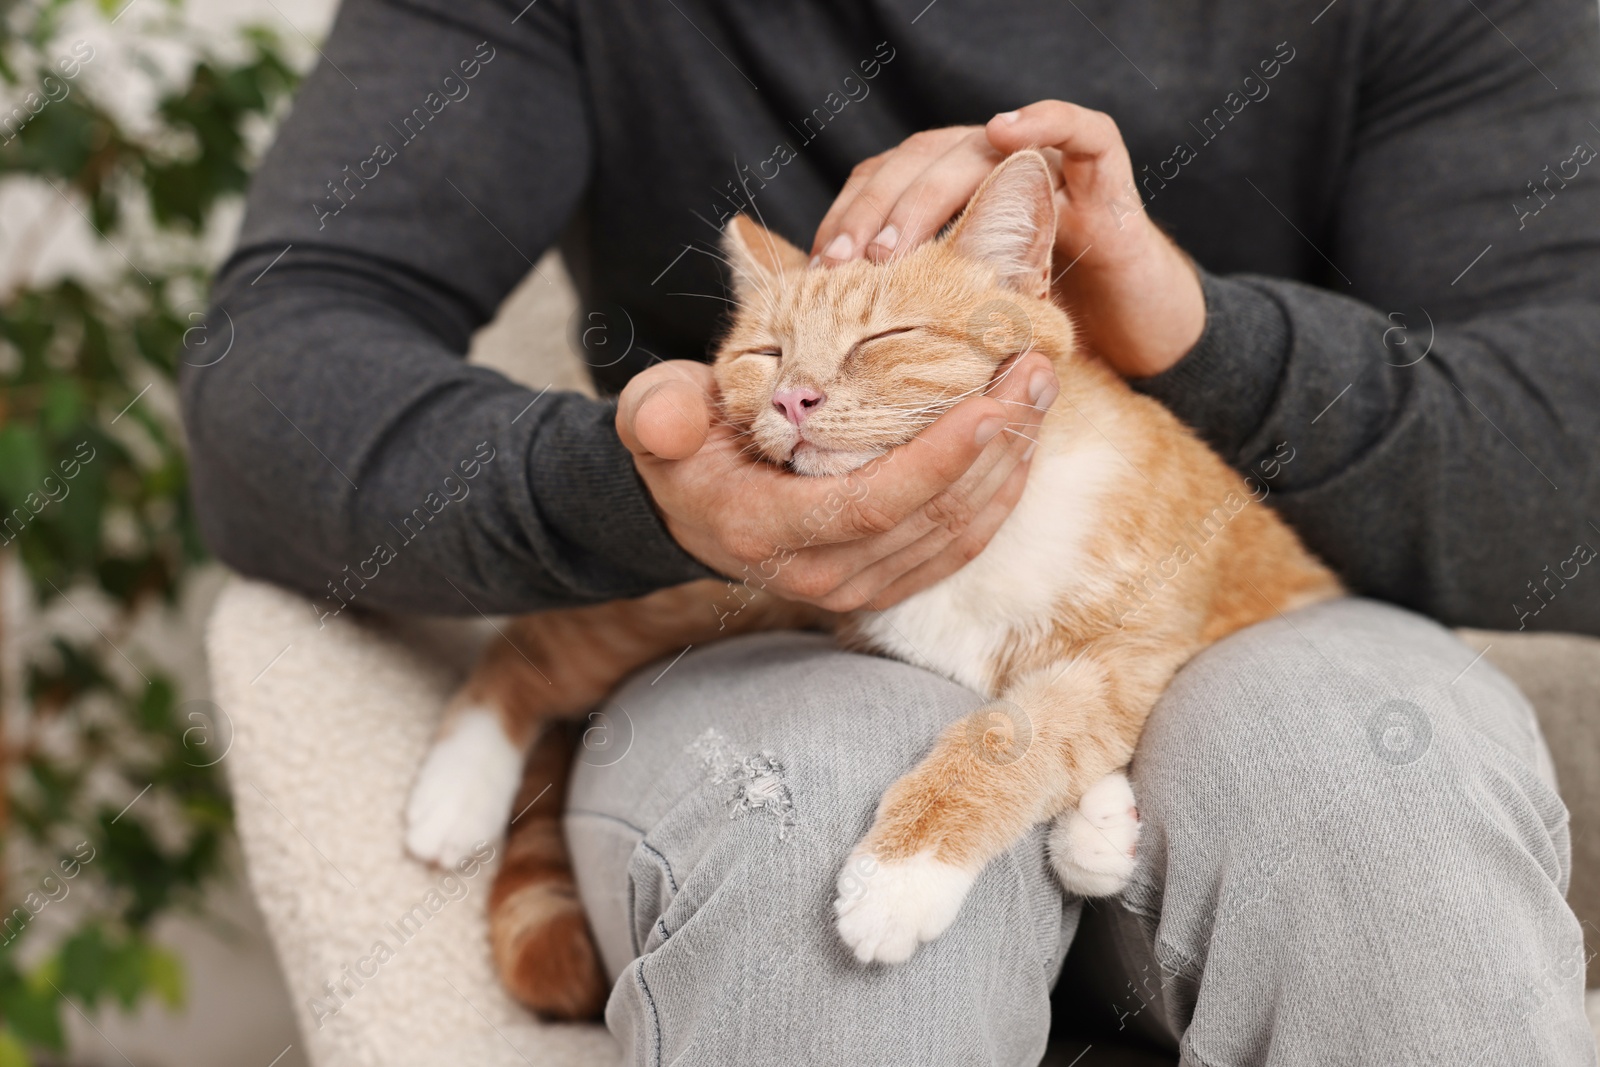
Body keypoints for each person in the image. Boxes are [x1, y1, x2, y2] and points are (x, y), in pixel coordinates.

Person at [181, 0, 1600, 1062]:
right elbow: (268, 375)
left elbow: (1569, 472)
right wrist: (648, 490)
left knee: (1362, 787)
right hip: (761, 616)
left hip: (1237, 599)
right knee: (807, 806)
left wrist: (1187, 324)